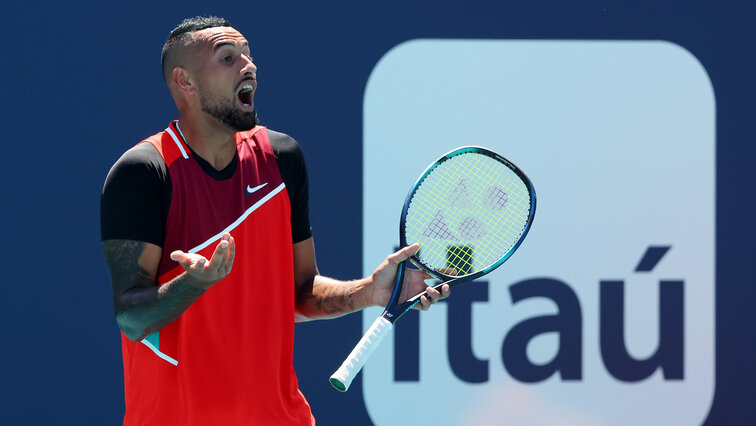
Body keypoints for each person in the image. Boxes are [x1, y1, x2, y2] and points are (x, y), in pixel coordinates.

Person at [100, 16, 449, 425]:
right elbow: (131, 318)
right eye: (227, 57)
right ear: (185, 82)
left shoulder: (280, 159)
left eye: (248, 54)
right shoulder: (145, 171)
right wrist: (192, 285)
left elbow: (299, 291)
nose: (248, 65)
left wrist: (370, 291)